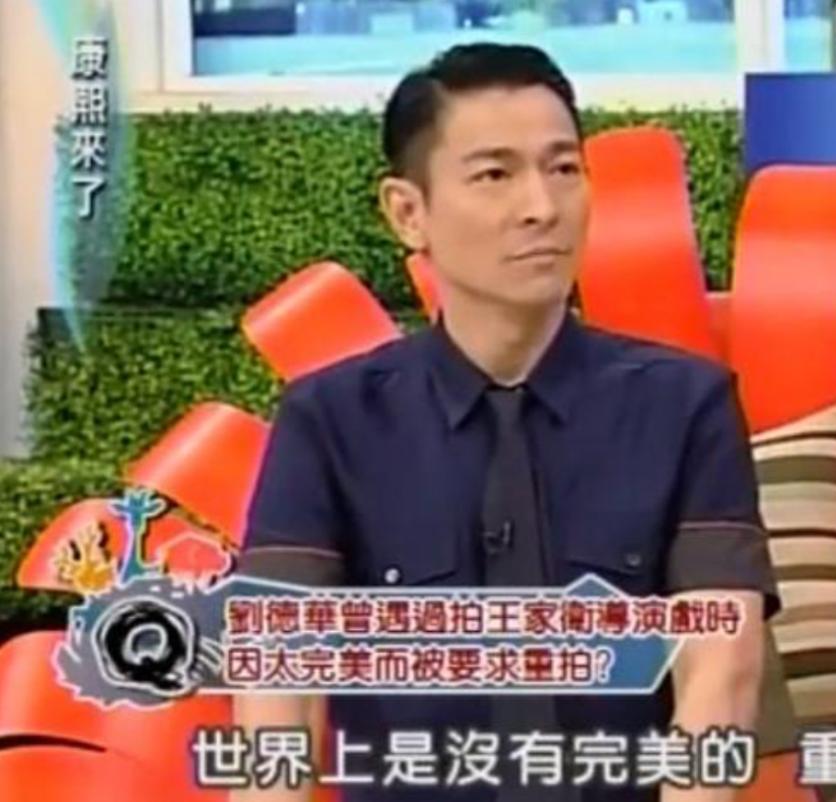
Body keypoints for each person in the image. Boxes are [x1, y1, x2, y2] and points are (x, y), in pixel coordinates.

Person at [233, 42, 780, 802]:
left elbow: (720, 667)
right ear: (408, 212)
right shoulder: (329, 421)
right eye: (495, 175)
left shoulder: (685, 405)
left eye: (563, 169)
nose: (542, 207)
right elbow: (278, 693)